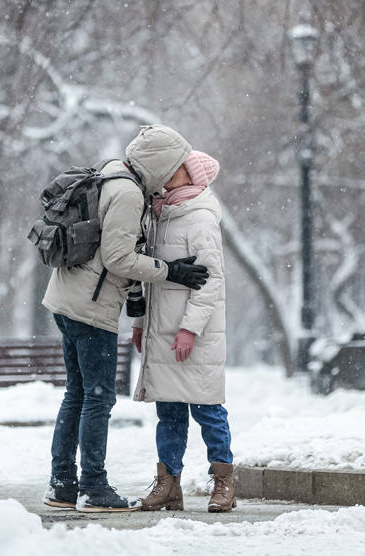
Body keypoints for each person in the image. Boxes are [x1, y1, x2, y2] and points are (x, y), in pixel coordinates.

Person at [41, 125, 209, 513]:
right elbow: (119, 258)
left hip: (66, 299)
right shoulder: (129, 193)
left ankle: (62, 484)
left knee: (77, 395)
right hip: (90, 309)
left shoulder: (113, 171)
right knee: (97, 400)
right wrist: (170, 271)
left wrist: (135, 299)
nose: (177, 175)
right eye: (177, 167)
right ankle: (94, 489)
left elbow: (111, 248)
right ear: (161, 164)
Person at [131, 150, 236, 513]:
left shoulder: (201, 217)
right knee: (169, 413)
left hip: (195, 334)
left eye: (175, 167)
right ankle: (168, 484)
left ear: (190, 175)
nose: (166, 172)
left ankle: (223, 483)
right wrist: (141, 323)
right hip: (161, 332)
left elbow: (210, 281)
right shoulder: (160, 211)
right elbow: (151, 276)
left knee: (208, 410)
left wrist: (189, 329)